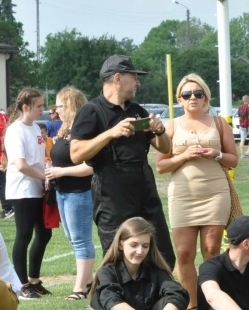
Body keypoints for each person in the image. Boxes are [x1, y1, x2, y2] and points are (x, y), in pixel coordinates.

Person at [70, 54, 175, 267]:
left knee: (162, 255)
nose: (138, 82)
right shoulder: (91, 111)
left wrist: (160, 131)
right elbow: (76, 154)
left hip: (144, 187)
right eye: (134, 77)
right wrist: (111, 133)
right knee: (118, 259)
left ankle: (157, 298)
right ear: (117, 77)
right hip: (111, 192)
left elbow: (165, 147)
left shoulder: (137, 111)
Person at [155, 73, 238, 310]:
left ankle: (212, 305)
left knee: (211, 250)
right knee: (184, 253)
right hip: (182, 194)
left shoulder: (218, 123)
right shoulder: (171, 125)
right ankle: (191, 308)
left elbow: (233, 159)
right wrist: (184, 156)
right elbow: (161, 166)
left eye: (198, 94)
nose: (193, 98)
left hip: (215, 192)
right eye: (188, 94)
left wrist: (216, 154)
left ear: (206, 98)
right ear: (179, 99)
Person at [45, 87, 96, 301]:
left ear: (72, 106)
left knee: (81, 239)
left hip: (80, 192)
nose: (57, 110)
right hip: (62, 191)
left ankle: (80, 288)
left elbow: (91, 166)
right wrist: (51, 173)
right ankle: (90, 279)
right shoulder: (64, 129)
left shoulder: (84, 130)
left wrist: (61, 171)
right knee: (71, 237)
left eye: (60, 105)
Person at [5, 88, 53, 300]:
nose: (42, 110)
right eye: (39, 106)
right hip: (22, 189)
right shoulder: (16, 131)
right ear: (26, 107)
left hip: (37, 187)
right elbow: (21, 165)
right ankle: (22, 284)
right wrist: (44, 177)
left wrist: (47, 174)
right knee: (24, 234)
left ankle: (34, 280)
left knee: (44, 233)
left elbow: (38, 158)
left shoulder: (34, 127)